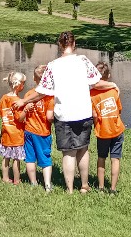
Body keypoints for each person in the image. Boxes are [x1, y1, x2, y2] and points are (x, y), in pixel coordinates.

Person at [13, 31, 117, 194]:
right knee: (83, 150)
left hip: (64, 115)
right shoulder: (83, 61)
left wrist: (24, 101)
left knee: (68, 153)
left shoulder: (53, 65)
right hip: (83, 113)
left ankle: (69, 189)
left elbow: (42, 92)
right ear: (74, 44)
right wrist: (113, 85)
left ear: (60, 45)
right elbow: (96, 82)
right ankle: (84, 185)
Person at [90, 61, 125, 194]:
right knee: (115, 159)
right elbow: (119, 110)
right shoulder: (114, 91)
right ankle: (113, 188)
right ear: (108, 76)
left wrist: (96, 124)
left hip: (102, 131)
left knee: (101, 158)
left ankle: (100, 187)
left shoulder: (92, 94)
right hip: (117, 130)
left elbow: (94, 114)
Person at [22, 65, 55, 191]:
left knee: (30, 158)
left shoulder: (29, 94)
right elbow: (49, 117)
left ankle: (33, 183)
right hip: (43, 133)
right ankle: (47, 185)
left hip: (29, 131)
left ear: (34, 79)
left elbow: (24, 113)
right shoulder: (50, 97)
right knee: (45, 159)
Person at [0, 71, 27, 185]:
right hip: (16, 134)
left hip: (5, 133)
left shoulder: (4, 98)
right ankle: (17, 179)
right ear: (19, 85)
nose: (24, 86)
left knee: (6, 157)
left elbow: (1, 113)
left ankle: (5, 178)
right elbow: (19, 118)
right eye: (23, 83)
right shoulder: (18, 101)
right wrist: (26, 110)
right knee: (16, 159)